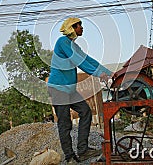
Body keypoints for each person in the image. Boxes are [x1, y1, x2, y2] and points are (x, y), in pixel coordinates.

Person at [47, 17, 112, 164]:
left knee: (85, 111)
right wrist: (97, 73)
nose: (82, 28)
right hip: (58, 89)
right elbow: (80, 62)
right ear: (71, 28)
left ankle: (82, 151)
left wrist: (108, 72)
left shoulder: (73, 46)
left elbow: (87, 59)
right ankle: (70, 157)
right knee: (65, 124)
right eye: (79, 26)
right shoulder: (62, 42)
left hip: (69, 90)